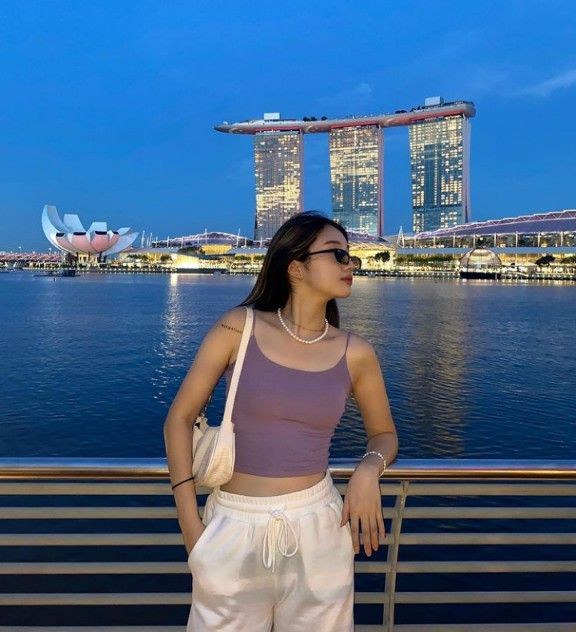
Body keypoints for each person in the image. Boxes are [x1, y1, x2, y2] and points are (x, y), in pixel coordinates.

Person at [164, 211, 398, 631]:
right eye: (337, 255)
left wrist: (368, 468)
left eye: (351, 258)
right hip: (232, 526)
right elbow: (179, 419)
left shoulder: (356, 352)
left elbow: (384, 434)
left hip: (320, 528)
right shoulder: (238, 327)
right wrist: (191, 527)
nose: (351, 265)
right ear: (295, 267)